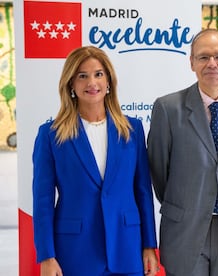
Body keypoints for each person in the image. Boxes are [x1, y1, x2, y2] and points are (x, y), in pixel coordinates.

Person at [32, 46, 159, 276]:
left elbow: (143, 192)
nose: (92, 82)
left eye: (98, 74)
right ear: (71, 83)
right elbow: (42, 201)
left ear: (109, 81)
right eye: (82, 76)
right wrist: (46, 256)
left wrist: (149, 245)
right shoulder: (50, 135)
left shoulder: (133, 130)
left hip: (127, 248)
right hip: (74, 252)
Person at [147, 28, 218, 276]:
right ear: (191, 62)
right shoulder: (168, 109)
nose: (212, 64)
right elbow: (159, 172)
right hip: (184, 229)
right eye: (203, 57)